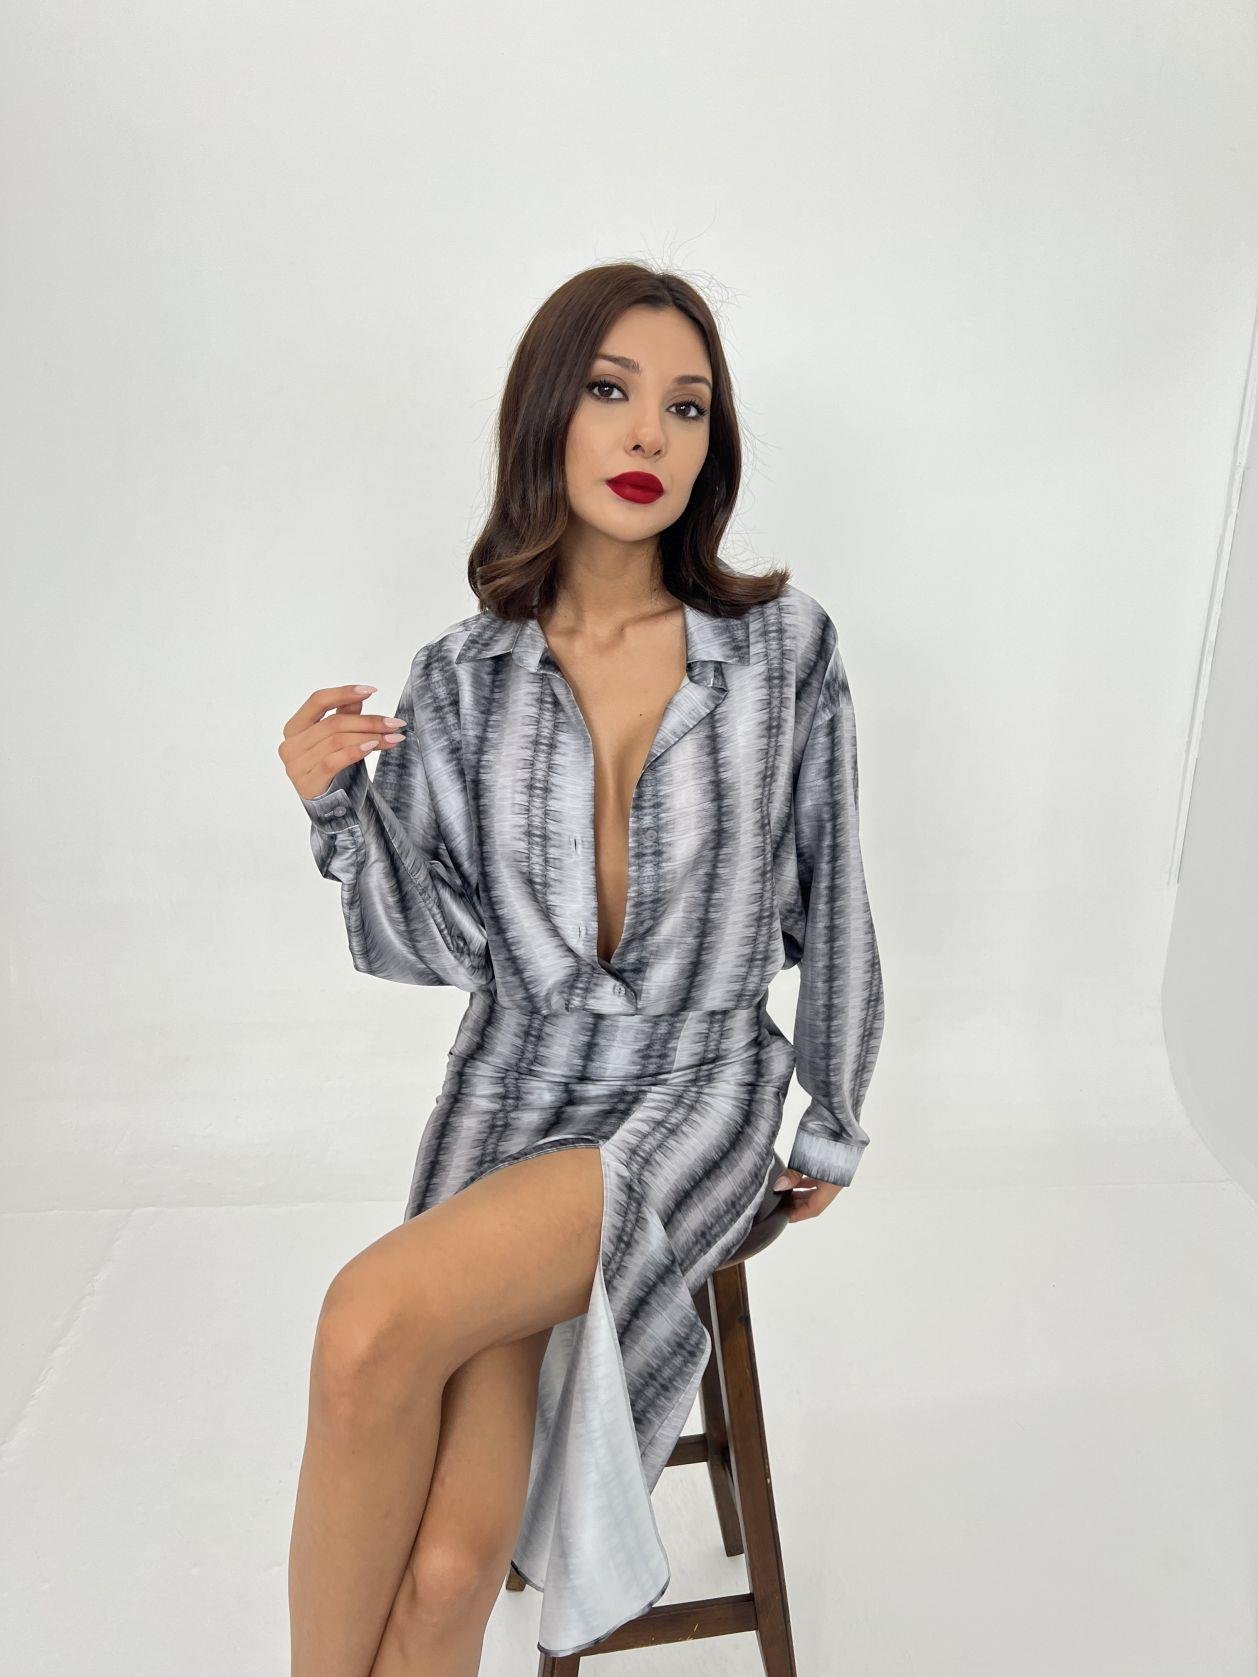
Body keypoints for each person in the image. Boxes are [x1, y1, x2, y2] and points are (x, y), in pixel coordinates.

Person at [277, 260, 885, 1676]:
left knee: (365, 1316)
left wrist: (833, 1115)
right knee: (443, 1572)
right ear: (548, 412)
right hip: (511, 1089)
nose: (648, 433)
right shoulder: (461, 677)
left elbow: (837, 897)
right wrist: (336, 810)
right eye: (611, 390)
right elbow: (428, 945)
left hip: (696, 1090)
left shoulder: (783, 651)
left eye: (687, 405)